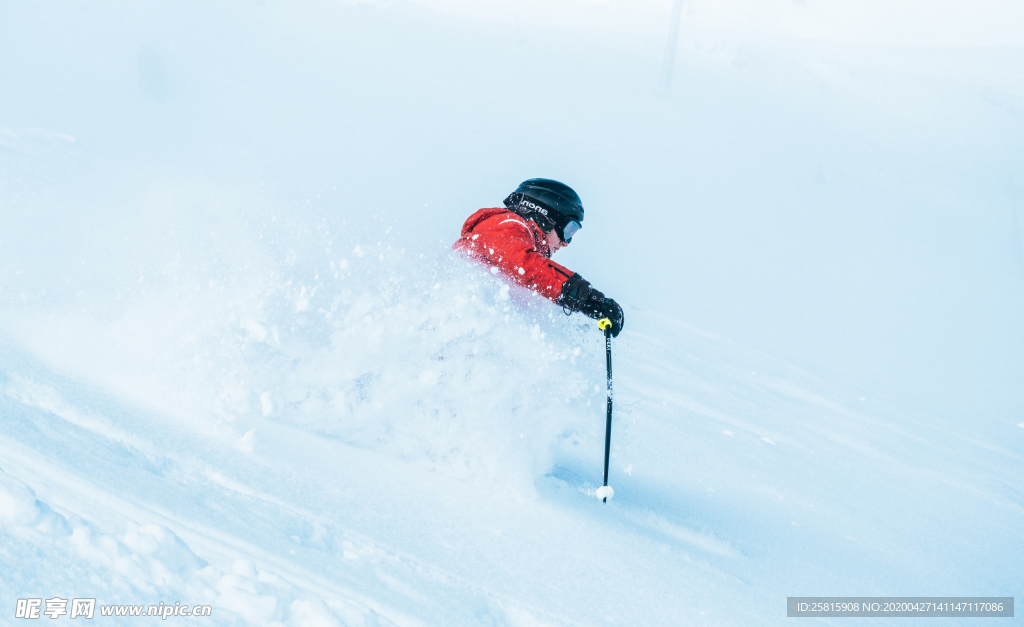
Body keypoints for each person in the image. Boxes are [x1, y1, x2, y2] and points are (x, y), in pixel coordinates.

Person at [453, 178, 624, 337]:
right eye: (568, 230)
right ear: (545, 216)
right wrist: (585, 297)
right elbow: (526, 265)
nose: (566, 243)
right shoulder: (504, 225)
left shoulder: (517, 239)